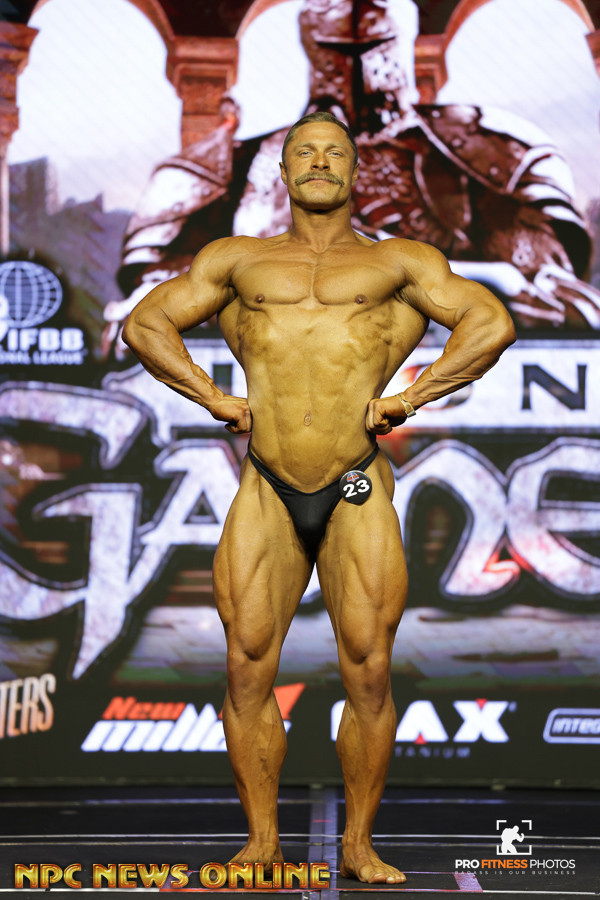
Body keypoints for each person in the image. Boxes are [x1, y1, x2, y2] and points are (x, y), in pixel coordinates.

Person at [122, 111, 516, 884]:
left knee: (368, 669)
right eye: (305, 152)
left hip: (355, 481)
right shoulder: (238, 260)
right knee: (246, 667)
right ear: (284, 169)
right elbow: (146, 323)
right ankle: (262, 844)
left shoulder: (398, 261)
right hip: (266, 485)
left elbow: (490, 321)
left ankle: (359, 845)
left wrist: (413, 395)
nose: (320, 162)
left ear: (355, 170)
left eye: (335, 152)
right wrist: (212, 396)